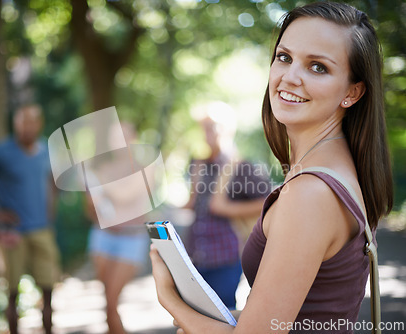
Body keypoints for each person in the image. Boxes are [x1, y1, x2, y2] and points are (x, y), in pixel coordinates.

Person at [150, 2, 393, 333]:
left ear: (352, 92)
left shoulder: (311, 193)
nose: (290, 77)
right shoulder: (335, 172)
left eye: (318, 67)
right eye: (284, 57)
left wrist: (171, 299)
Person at [0, 104, 60, 334]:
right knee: (12, 295)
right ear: (15, 123)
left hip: (42, 230)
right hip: (12, 232)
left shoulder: (47, 150)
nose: (26, 127)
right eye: (21, 121)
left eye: (31, 121)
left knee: (48, 291)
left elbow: (52, 181)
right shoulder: (0, 152)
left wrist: (51, 211)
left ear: (39, 123)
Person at [184, 117, 268, 310]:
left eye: (212, 128)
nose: (207, 134)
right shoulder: (200, 164)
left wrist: (226, 209)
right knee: (196, 314)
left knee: (223, 312)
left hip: (226, 254)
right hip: (196, 253)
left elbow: (268, 201)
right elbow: (194, 204)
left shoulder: (242, 167)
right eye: (204, 129)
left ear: (227, 129)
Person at [85, 122, 149, 334]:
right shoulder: (103, 169)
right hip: (103, 238)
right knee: (108, 303)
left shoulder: (143, 168)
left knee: (111, 301)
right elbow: (92, 211)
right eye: (114, 137)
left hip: (131, 240)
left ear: (133, 138)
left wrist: (101, 184)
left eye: (123, 136)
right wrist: (93, 204)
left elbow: (126, 196)